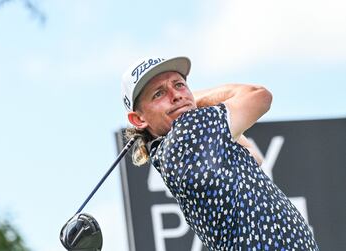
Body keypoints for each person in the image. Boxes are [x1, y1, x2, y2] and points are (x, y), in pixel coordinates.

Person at [121, 56, 319, 250]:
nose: (176, 95)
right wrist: (191, 102)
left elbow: (254, 157)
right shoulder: (190, 129)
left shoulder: (176, 149)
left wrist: (182, 104)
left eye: (179, 85)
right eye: (158, 94)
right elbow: (259, 95)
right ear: (138, 119)